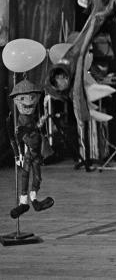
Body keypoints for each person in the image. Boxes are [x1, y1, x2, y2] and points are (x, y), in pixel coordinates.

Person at [8, 79, 54, 219]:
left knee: (37, 176)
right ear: (16, 100)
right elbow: (16, 137)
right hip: (28, 153)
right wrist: (18, 155)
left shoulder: (32, 117)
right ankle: (23, 202)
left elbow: (36, 129)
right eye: (22, 98)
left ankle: (34, 199)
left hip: (36, 154)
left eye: (32, 97)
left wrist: (43, 113)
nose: (28, 101)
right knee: (25, 175)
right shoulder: (20, 119)